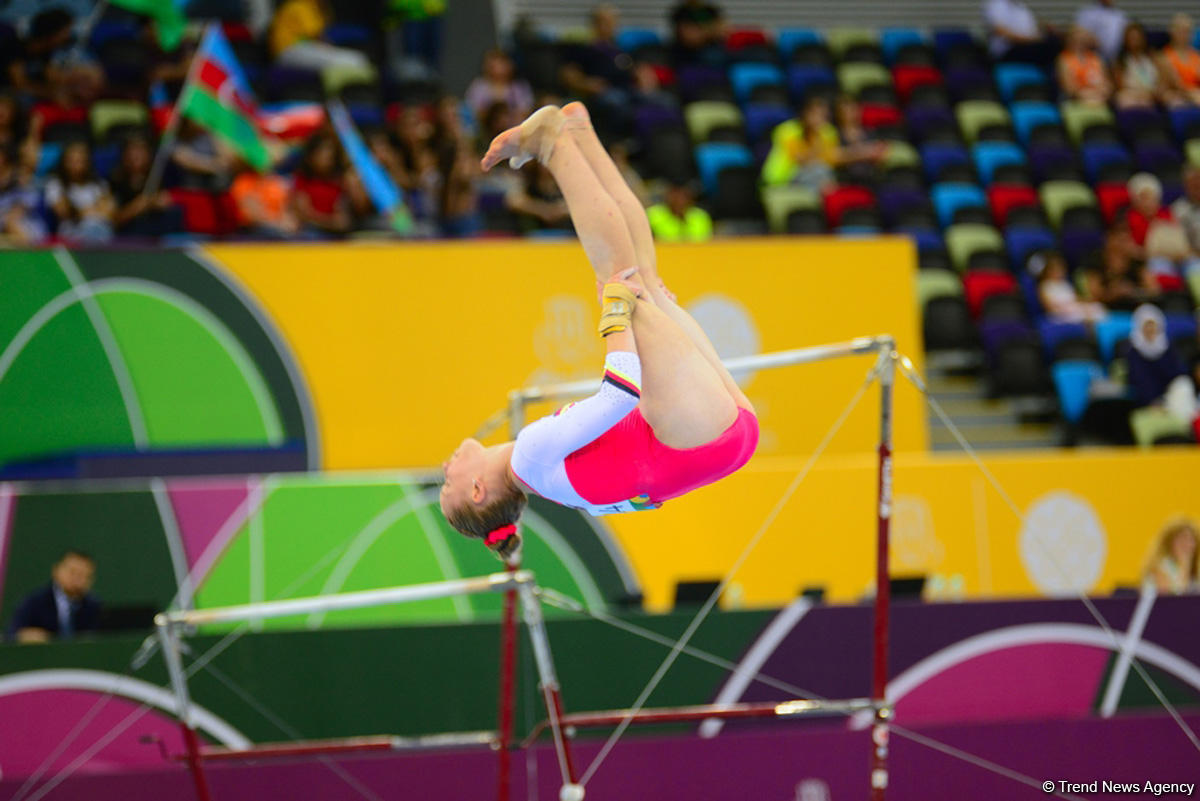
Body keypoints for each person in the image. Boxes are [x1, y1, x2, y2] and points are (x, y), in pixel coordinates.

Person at [441, 103, 759, 559]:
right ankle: (555, 142)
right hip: (695, 436)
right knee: (620, 277)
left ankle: (581, 133)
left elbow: (636, 474)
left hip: (722, 442)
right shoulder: (529, 456)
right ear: (477, 491)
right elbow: (619, 395)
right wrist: (614, 317)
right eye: (447, 481)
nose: (447, 466)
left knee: (640, 278)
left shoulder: (556, 485)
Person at [6, 550, 100, 643]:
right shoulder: (35, 602)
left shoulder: (93, 607)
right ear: (56, 570)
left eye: (85, 575)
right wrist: (25, 636)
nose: (77, 580)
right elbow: (11, 635)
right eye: (73, 572)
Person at [110, 133, 183, 238]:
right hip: (129, 237)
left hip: (159, 235)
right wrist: (140, 205)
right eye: (131, 151)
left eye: (140, 151)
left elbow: (167, 201)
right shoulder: (116, 180)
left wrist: (160, 203)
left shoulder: (156, 176)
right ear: (124, 155)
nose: (135, 156)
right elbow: (114, 220)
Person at [44, 139, 113, 242]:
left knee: (99, 231)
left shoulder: (99, 184)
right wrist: (93, 210)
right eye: (71, 161)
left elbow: (109, 213)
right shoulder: (56, 184)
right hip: (71, 233)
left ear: (87, 163)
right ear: (64, 162)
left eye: (80, 161)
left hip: (100, 231)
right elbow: (63, 212)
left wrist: (80, 212)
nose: (76, 165)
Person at [1126, 303, 1188, 408]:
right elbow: (1138, 379)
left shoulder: (1167, 347)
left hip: (1170, 397)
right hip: (1146, 401)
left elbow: (1178, 373)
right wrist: (1152, 401)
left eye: (1153, 324)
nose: (1150, 329)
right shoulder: (1134, 351)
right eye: (1147, 325)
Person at [289, 134, 352, 236]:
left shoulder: (341, 182)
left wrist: (319, 219)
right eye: (321, 152)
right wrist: (330, 222)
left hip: (337, 234)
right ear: (311, 156)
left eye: (330, 153)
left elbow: (343, 221)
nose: (327, 157)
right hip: (310, 231)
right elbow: (304, 214)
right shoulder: (302, 180)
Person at [1114, 23, 1181, 109]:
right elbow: (1120, 86)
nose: (1135, 41)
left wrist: (1158, 90)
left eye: (1137, 37)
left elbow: (1165, 78)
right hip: (1132, 93)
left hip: (1154, 93)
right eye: (1132, 38)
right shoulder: (1120, 61)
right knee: (1124, 99)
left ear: (1143, 38)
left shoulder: (1153, 58)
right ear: (1126, 40)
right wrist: (1140, 93)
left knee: (1174, 98)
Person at [1034, 250, 1107, 323]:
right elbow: (1048, 306)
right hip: (1060, 312)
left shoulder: (1064, 283)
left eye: (1061, 268)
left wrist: (1086, 302)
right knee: (1081, 315)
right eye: (1056, 269)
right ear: (1048, 271)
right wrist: (1064, 309)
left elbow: (1075, 297)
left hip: (1074, 307)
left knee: (1098, 307)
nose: (1060, 271)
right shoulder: (1045, 285)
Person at [466, 50, 534, 124]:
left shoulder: (519, 87)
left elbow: (525, 111)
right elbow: (473, 111)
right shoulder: (478, 87)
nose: (498, 67)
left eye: (501, 63)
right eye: (493, 64)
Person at [984, 0, 1058, 65]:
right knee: (1051, 46)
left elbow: (1031, 29)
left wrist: (1045, 29)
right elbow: (1001, 32)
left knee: (1054, 41)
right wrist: (1032, 40)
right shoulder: (996, 4)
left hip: (1025, 46)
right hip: (1006, 52)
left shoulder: (1020, 6)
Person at [1057, 25, 1112, 105]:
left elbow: (1106, 83)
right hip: (1076, 98)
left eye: (1083, 39)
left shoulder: (1096, 58)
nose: (1080, 43)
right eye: (1077, 39)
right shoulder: (1064, 59)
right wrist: (1087, 94)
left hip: (1098, 96)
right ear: (1070, 40)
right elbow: (1069, 88)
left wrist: (1104, 90)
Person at [1143, 518, 1198, 594]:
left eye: (1191, 540)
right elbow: (1171, 598)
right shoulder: (1159, 566)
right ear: (1169, 542)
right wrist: (1184, 566)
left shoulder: (1193, 566)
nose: (1188, 544)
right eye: (1183, 539)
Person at [647, 181, 713, 242]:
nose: (679, 200)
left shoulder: (701, 216)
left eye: (684, 195)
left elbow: (707, 243)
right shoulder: (653, 214)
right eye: (675, 195)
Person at [1159, 14, 1200, 106]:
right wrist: (1192, 94)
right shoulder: (1164, 56)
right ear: (1172, 32)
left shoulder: (1196, 56)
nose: (1185, 35)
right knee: (1171, 98)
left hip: (1194, 93)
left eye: (1188, 31)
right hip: (1175, 94)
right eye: (1181, 31)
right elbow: (1177, 84)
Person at [1169, 165, 1200, 252]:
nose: (1198, 187)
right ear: (1186, 186)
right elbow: (1174, 239)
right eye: (1194, 185)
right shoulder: (1177, 209)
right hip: (1188, 256)